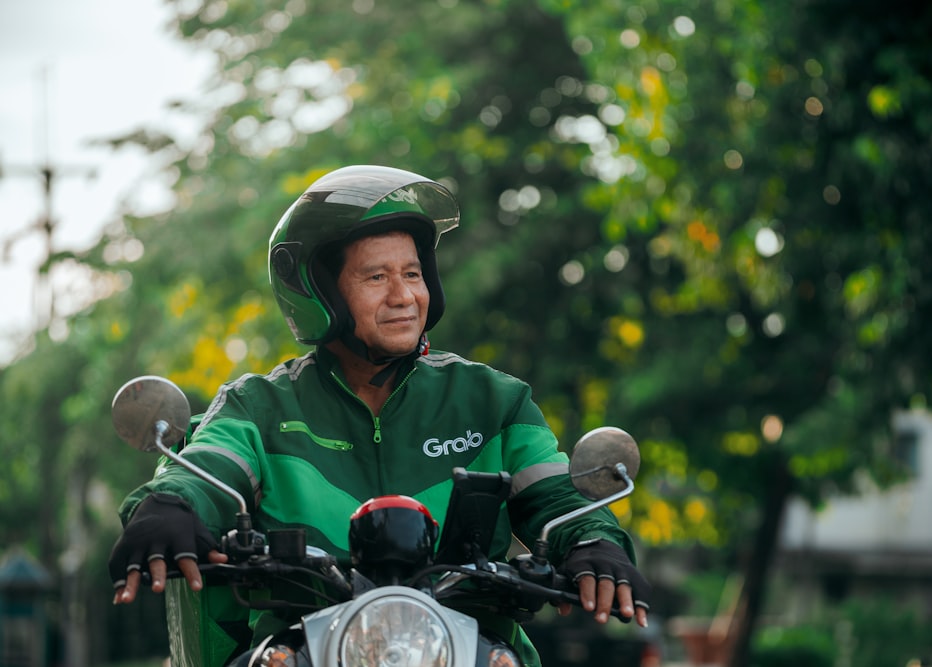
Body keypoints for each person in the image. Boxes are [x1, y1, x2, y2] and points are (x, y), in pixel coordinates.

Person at [108, 165, 651, 666]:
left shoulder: (493, 400)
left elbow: (554, 494)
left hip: (469, 646)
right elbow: (210, 465)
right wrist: (170, 505)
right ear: (320, 293)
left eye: (412, 274)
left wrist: (592, 539)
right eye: (376, 278)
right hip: (304, 648)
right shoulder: (260, 406)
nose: (403, 296)